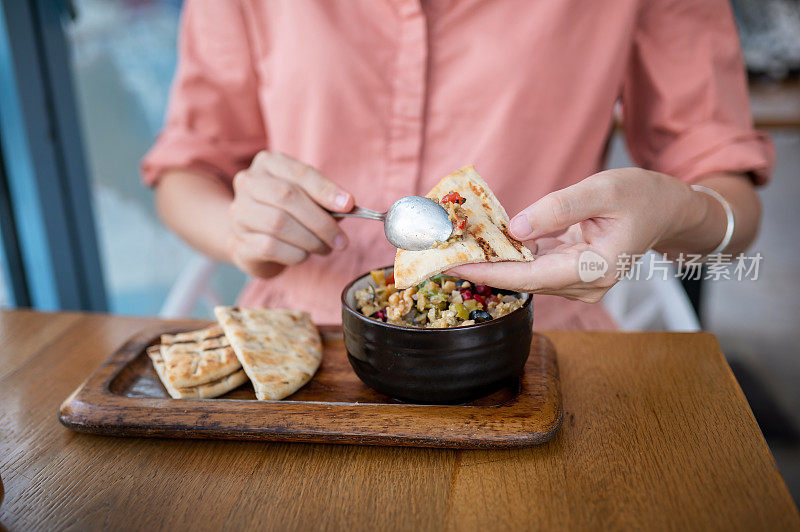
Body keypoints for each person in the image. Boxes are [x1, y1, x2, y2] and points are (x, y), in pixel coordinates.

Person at [143, 0, 772, 329]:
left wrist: (676, 212)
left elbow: (730, 200)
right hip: (306, 341)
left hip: (534, 344)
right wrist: (238, 227)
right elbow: (185, 171)